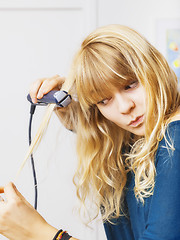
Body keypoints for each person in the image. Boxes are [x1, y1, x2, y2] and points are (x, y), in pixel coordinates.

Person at [0, 24, 180, 240]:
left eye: (130, 85)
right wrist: (74, 106)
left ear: (155, 68)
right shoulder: (140, 137)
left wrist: (39, 233)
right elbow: (103, 132)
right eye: (104, 100)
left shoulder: (174, 140)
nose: (124, 108)